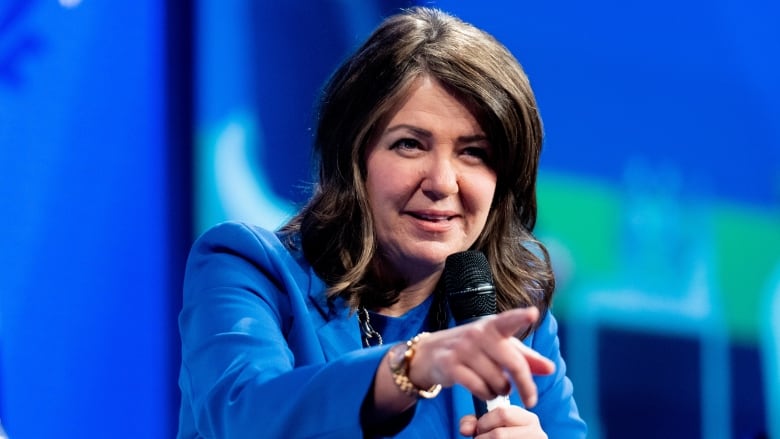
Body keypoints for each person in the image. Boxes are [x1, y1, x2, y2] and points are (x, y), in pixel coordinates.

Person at [177, 7, 587, 438]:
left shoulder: (513, 313)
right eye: (409, 145)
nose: (443, 182)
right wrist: (412, 365)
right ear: (354, 158)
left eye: (474, 152)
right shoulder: (249, 269)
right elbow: (241, 418)